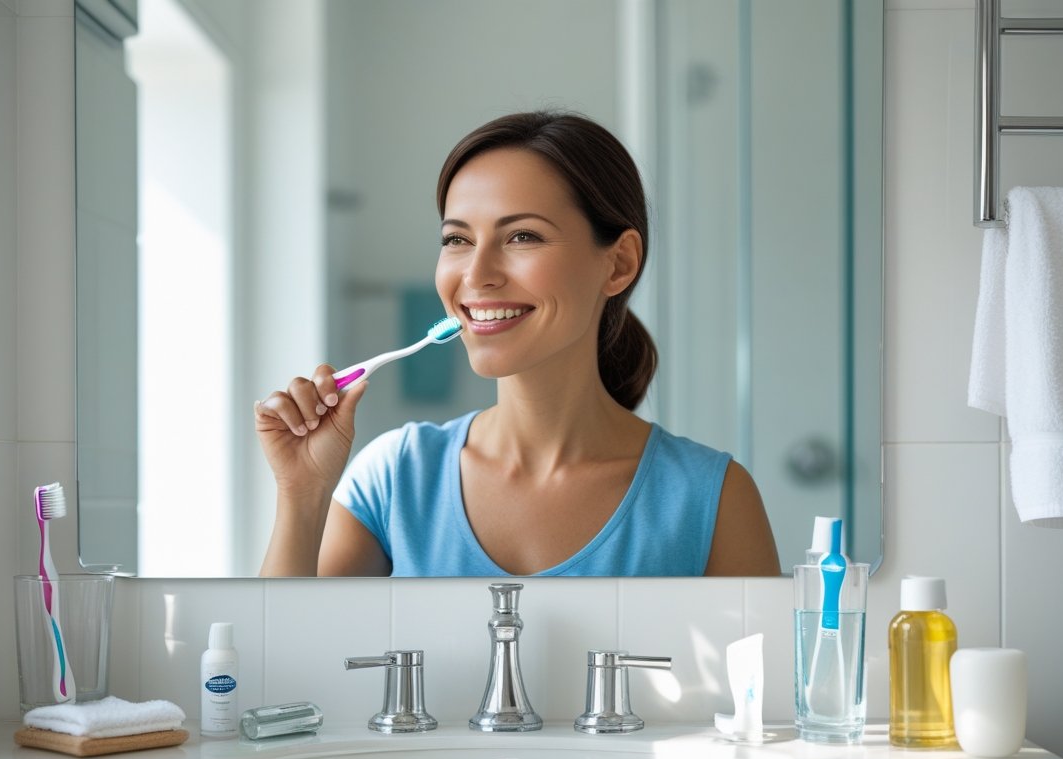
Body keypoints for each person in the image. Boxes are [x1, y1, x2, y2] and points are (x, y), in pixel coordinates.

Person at [255, 111, 780, 577]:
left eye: (522, 236)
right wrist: (302, 494)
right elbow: (278, 669)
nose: (476, 275)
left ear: (618, 263)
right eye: (457, 240)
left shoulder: (714, 499)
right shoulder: (395, 478)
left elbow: (764, 688)